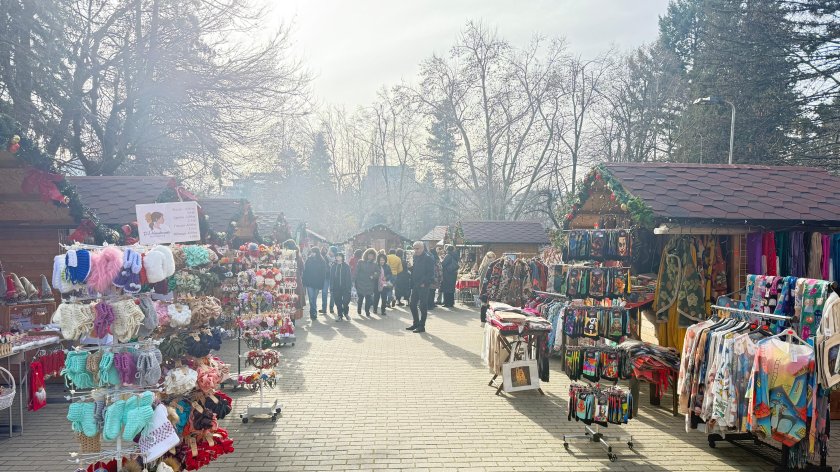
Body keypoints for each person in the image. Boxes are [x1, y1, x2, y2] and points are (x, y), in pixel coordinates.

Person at [407, 241, 434, 333]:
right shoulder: (414, 257)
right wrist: (409, 266)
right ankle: (416, 323)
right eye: (414, 248)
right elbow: (413, 270)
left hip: (423, 285)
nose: (415, 250)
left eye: (417, 248)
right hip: (415, 284)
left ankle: (422, 326)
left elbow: (431, 273)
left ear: (422, 248)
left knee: (423, 306)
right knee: (412, 304)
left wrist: (425, 282)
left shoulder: (428, 258)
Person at [302, 247, 327, 320]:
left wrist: (322, 284)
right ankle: (313, 312)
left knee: (314, 298)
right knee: (311, 298)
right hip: (309, 283)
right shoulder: (308, 260)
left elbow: (323, 274)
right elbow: (305, 271)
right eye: (311, 252)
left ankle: (313, 311)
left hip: (317, 283)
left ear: (316, 252)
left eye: (313, 252)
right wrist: (304, 281)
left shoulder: (322, 261)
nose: (312, 253)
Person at [354, 248, 378, 317]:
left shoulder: (375, 264)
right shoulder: (360, 262)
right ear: (366, 255)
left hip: (370, 283)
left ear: (374, 256)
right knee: (360, 298)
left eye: (372, 256)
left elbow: (378, 272)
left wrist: (373, 276)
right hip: (360, 282)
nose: (370, 257)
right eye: (369, 255)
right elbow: (356, 271)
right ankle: (359, 309)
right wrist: (353, 280)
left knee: (368, 298)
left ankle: (367, 311)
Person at [330, 252, 352, 321]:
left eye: (339, 256)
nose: (338, 257)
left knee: (346, 301)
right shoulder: (333, 266)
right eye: (337, 256)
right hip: (336, 287)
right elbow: (331, 277)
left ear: (342, 257)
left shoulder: (346, 266)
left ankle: (346, 313)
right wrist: (331, 287)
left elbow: (349, 277)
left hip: (345, 287)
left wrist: (349, 287)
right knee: (338, 302)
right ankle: (340, 315)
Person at [324, 246, 338, 314]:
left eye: (330, 251)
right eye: (329, 250)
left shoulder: (337, 259)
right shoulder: (325, 257)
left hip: (333, 278)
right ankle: (324, 308)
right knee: (324, 292)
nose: (329, 252)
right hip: (326, 277)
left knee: (332, 293)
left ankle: (331, 307)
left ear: (334, 252)